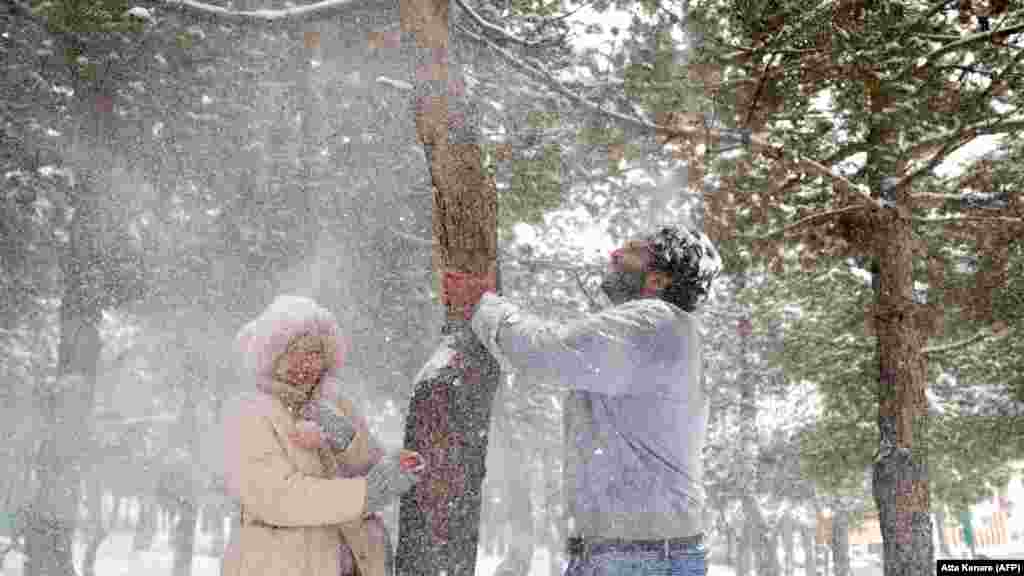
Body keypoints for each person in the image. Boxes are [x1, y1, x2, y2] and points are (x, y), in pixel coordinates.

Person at [443, 225, 721, 576]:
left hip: (637, 556)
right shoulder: (667, 332)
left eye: (632, 250)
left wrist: (483, 305)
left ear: (657, 280)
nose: (614, 255)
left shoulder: (652, 323)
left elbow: (548, 351)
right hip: (639, 550)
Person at [221, 295, 422, 576]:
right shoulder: (248, 413)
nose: (304, 364)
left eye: (314, 353)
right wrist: (365, 493)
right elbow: (279, 498)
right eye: (292, 352)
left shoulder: (332, 405)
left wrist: (353, 445)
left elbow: (370, 468)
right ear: (271, 356)